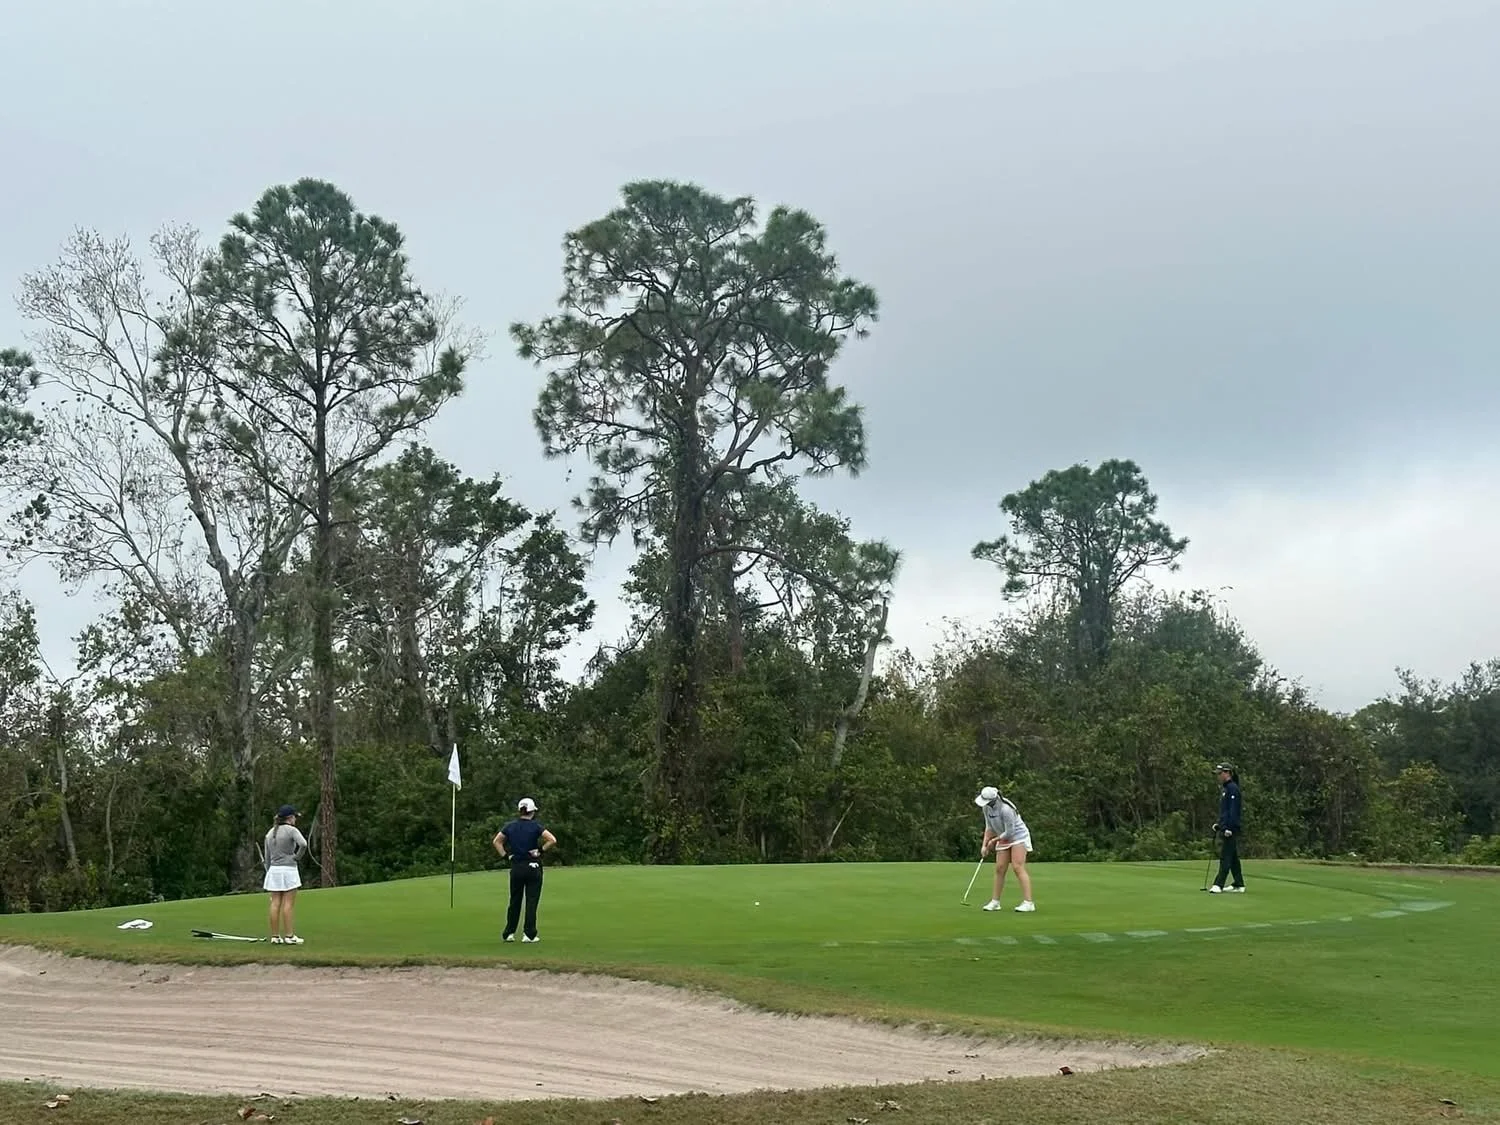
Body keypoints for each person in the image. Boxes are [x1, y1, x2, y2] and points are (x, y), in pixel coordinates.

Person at [493, 797, 556, 943]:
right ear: (532, 812)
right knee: (531, 900)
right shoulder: (536, 826)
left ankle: (509, 933)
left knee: (515, 900)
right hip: (533, 867)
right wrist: (540, 850)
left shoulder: (510, 826)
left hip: (516, 867)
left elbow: (497, 841)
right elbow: (552, 839)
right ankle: (529, 934)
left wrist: (506, 856)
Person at [975, 785, 1036, 912]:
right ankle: (995, 902)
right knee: (1000, 868)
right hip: (1002, 837)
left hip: (1018, 836)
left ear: (993, 799)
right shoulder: (986, 808)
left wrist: (993, 841)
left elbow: (1010, 832)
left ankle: (1028, 903)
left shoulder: (1006, 809)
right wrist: (984, 845)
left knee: (1017, 866)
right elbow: (989, 828)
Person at [263, 804, 308, 944]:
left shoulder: (270, 833)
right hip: (288, 870)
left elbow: (267, 857)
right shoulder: (291, 830)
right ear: (289, 818)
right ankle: (289, 936)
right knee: (288, 904)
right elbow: (304, 844)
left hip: (274, 871)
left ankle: (275, 937)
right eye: (294, 816)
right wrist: (296, 857)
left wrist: (269, 871)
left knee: (275, 903)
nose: (295, 819)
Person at [1210, 762, 1245, 893]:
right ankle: (1239, 884)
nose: (1218, 776)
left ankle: (1218, 884)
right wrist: (1219, 824)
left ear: (1228, 773)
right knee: (1233, 857)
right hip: (1225, 827)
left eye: (1220, 773)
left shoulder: (1233, 789)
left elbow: (1233, 811)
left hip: (1231, 829)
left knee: (1226, 857)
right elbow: (1225, 812)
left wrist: (1229, 827)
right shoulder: (1226, 789)